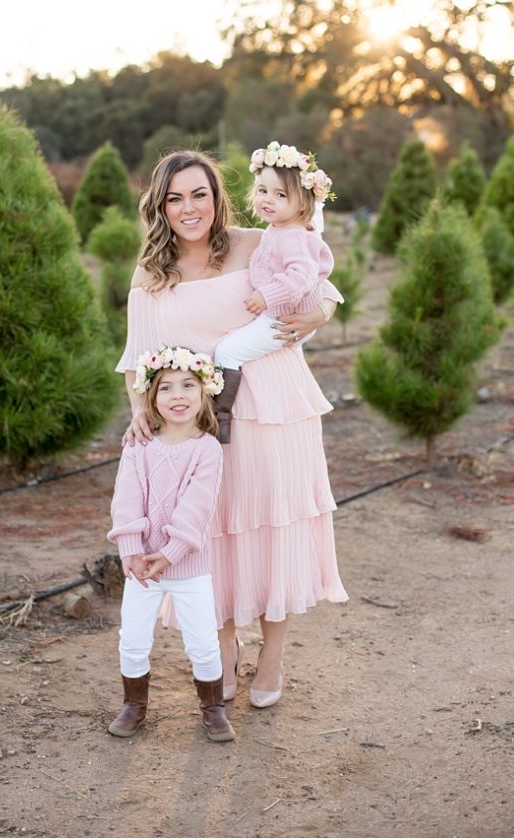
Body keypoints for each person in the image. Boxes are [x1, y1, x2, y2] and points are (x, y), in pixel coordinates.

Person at [118, 149, 348, 710]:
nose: (189, 208)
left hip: (275, 407)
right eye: (175, 198)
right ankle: (222, 652)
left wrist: (318, 314)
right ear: (161, 206)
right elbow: (137, 358)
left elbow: (319, 282)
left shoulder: (255, 241)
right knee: (212, 534)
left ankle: (272, 657)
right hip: (198, 423)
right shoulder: (152, 272)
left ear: (218, 197)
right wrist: (138, 413)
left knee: (273, 526)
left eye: (200, 194)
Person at [107, 345, 235, 742]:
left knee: (202, 640)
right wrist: (131, 549)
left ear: (204, 394)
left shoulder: (207, 450)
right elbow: (125, 496)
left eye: (187, 386)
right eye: (165, 388)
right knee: (133, 638)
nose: (177, 396)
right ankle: (134, 705)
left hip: (188, 567)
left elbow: (198, 508)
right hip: (142, 566)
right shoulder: (139, 445)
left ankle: (212, 709)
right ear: (150, 397)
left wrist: (171, 553)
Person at [213, 141, 336, 442]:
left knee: (227, 351)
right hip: (284, 316)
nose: (267, 200)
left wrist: (268, 295)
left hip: (281, 319)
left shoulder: (291, 235)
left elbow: (303, 275)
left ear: (303, 205)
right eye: (262, 190)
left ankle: (219, 417)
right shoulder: (278, 229)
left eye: (280, 195)